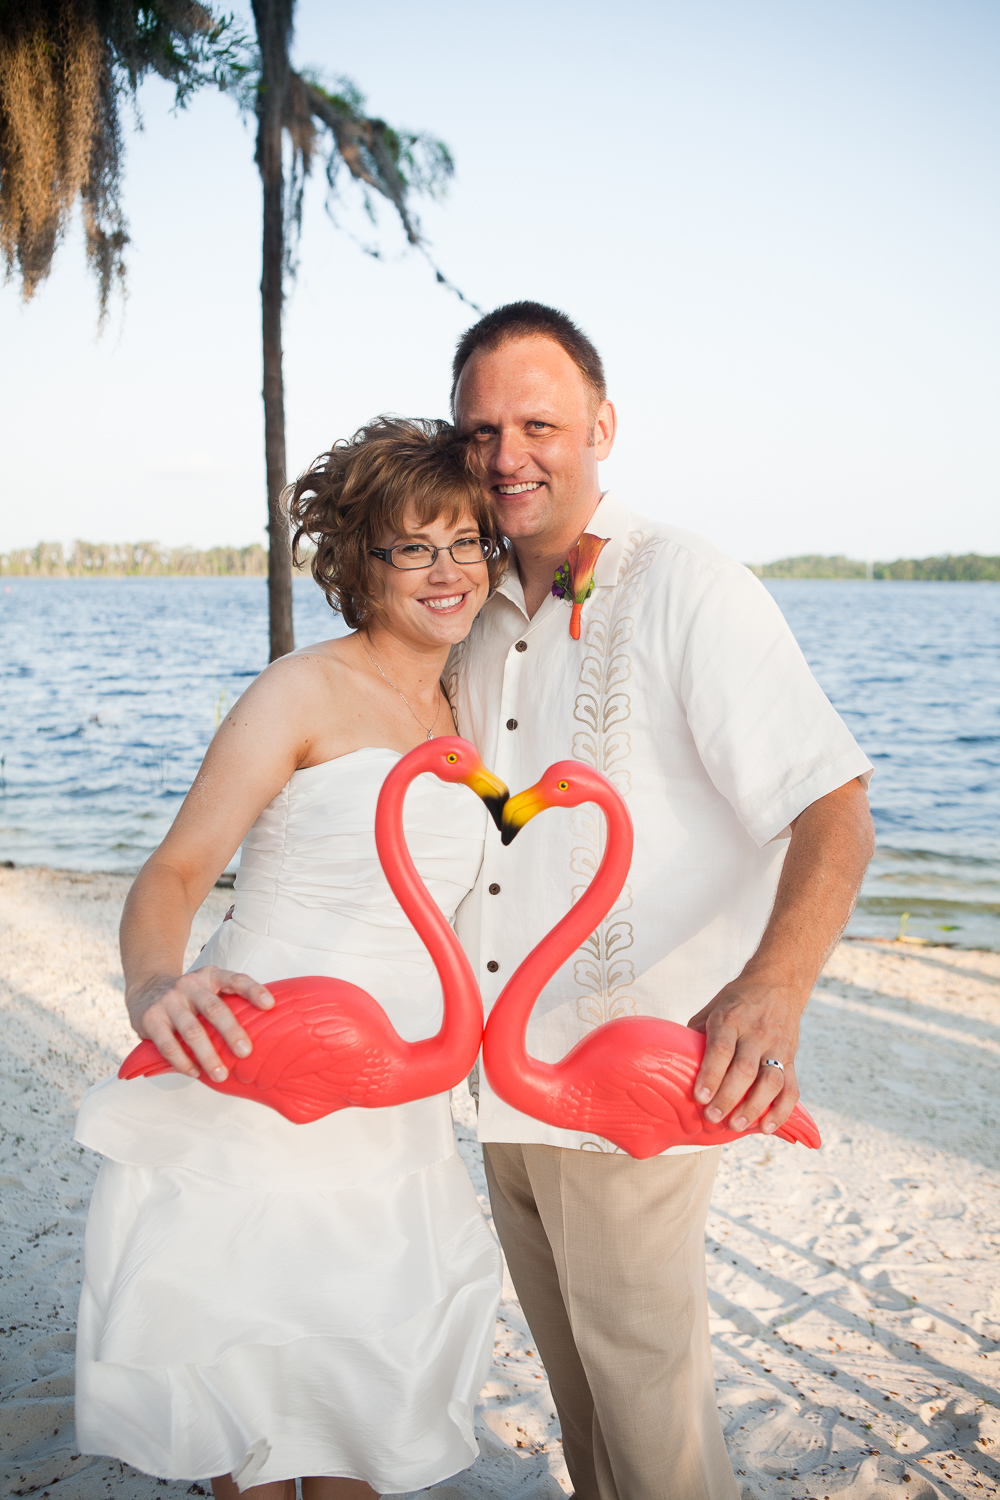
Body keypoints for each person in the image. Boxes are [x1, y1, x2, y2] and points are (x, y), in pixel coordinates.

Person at [446, 302, 876, 1500]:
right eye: (481, 430)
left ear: (602, 426)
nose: (508, 455)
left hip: (627, 1076)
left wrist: (773, 989)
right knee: (581, 1400)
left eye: (538, 422)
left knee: (651, 1412)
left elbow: (833, 806)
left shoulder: (687, 582)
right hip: (499, 1084)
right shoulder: (465, 604)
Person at [74, 418, 507, 1500]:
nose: (448, 571)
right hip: (259, 1088)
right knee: (255, 1439)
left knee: (359, 1429)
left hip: (394, 1109)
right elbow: (173, 874)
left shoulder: (478, 702)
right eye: (415, 546)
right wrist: (155, 986)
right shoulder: (299, 693)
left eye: (467, 542)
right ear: (362, 563)